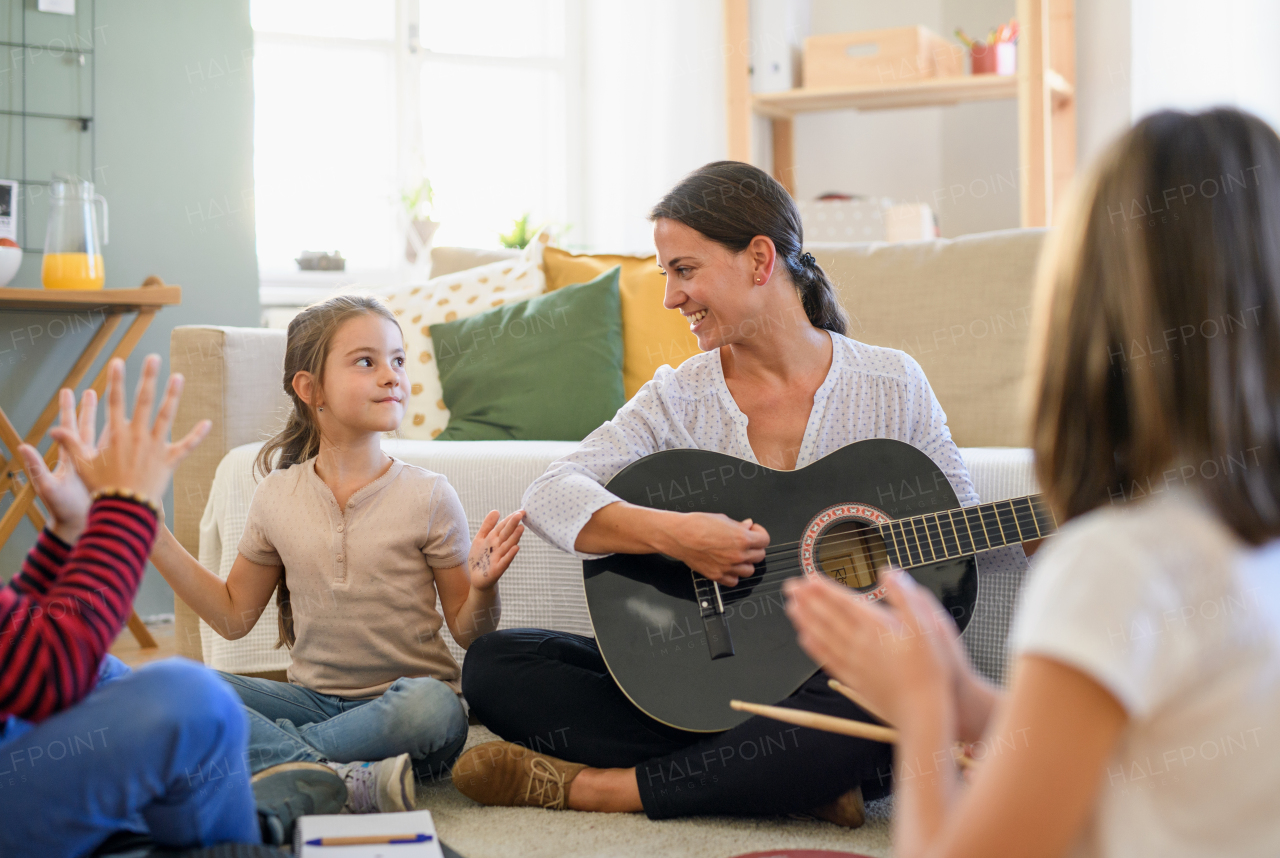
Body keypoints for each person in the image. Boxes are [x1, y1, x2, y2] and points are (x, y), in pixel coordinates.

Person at [451, 161, 1027, 823]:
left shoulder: (893, 384)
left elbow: (958, 527)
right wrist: (678, 536)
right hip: (710, 680)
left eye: (684, 270)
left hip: (833, 688)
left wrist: (1041, 533)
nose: (670, 297)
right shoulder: (679, 396)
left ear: (759, 260)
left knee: (881, 700)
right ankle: (792, 778)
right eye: (666, 272)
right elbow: (552, 492)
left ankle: (600, 789)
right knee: (496, 665)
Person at [785, 107, 1280, 857]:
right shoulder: (1242, 538)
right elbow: (1159, 734)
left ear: (1087, 309)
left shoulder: (1119, 561)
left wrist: (917, 717)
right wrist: (963, 699)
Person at [147, 295, 526, 814]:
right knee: (178, 684)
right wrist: (152, 536)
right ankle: (339, 775)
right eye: (366, 361)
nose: (392, 375)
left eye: (398, 360)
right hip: (309, 704)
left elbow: (469, 632)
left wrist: (485, 587)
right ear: (310, 389)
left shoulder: (430, 494)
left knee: (434, 708)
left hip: (406, 709)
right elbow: (234, 616)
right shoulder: (276, 496)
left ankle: (274, 759)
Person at [0, 357, 346, 856]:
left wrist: (68, 532)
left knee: (107, 674)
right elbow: (53, 674)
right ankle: (245, 827)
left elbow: (20, 646)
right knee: (190, 697)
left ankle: (224, 818)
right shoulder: (279, 495)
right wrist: (125, 509)